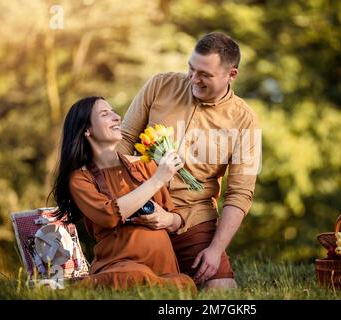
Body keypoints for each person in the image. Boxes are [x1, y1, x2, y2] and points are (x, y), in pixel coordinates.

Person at [117, 32, 261, 288]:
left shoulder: (245, 121)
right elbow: (126, 139)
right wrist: (119, 194)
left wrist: (215, 250)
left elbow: (240, 194)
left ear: (231, 75)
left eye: (205, 74)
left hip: (194, 220)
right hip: (142, 208)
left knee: (222, 292)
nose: (193, 79)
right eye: (191, 68)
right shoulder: (159, 85)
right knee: (130, 285)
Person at [50, 96, 196, 292]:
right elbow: (108, 215)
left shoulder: (144, 165)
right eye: (105, 114)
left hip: (164, 268)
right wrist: (158, 179)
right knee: (135, 276)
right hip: (120, 266)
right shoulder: (79, 178)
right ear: (87, 130)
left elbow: (178, 220)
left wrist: (166, 219)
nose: (117, 117)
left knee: (185, 283)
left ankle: (156, 283)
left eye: (113, 112)